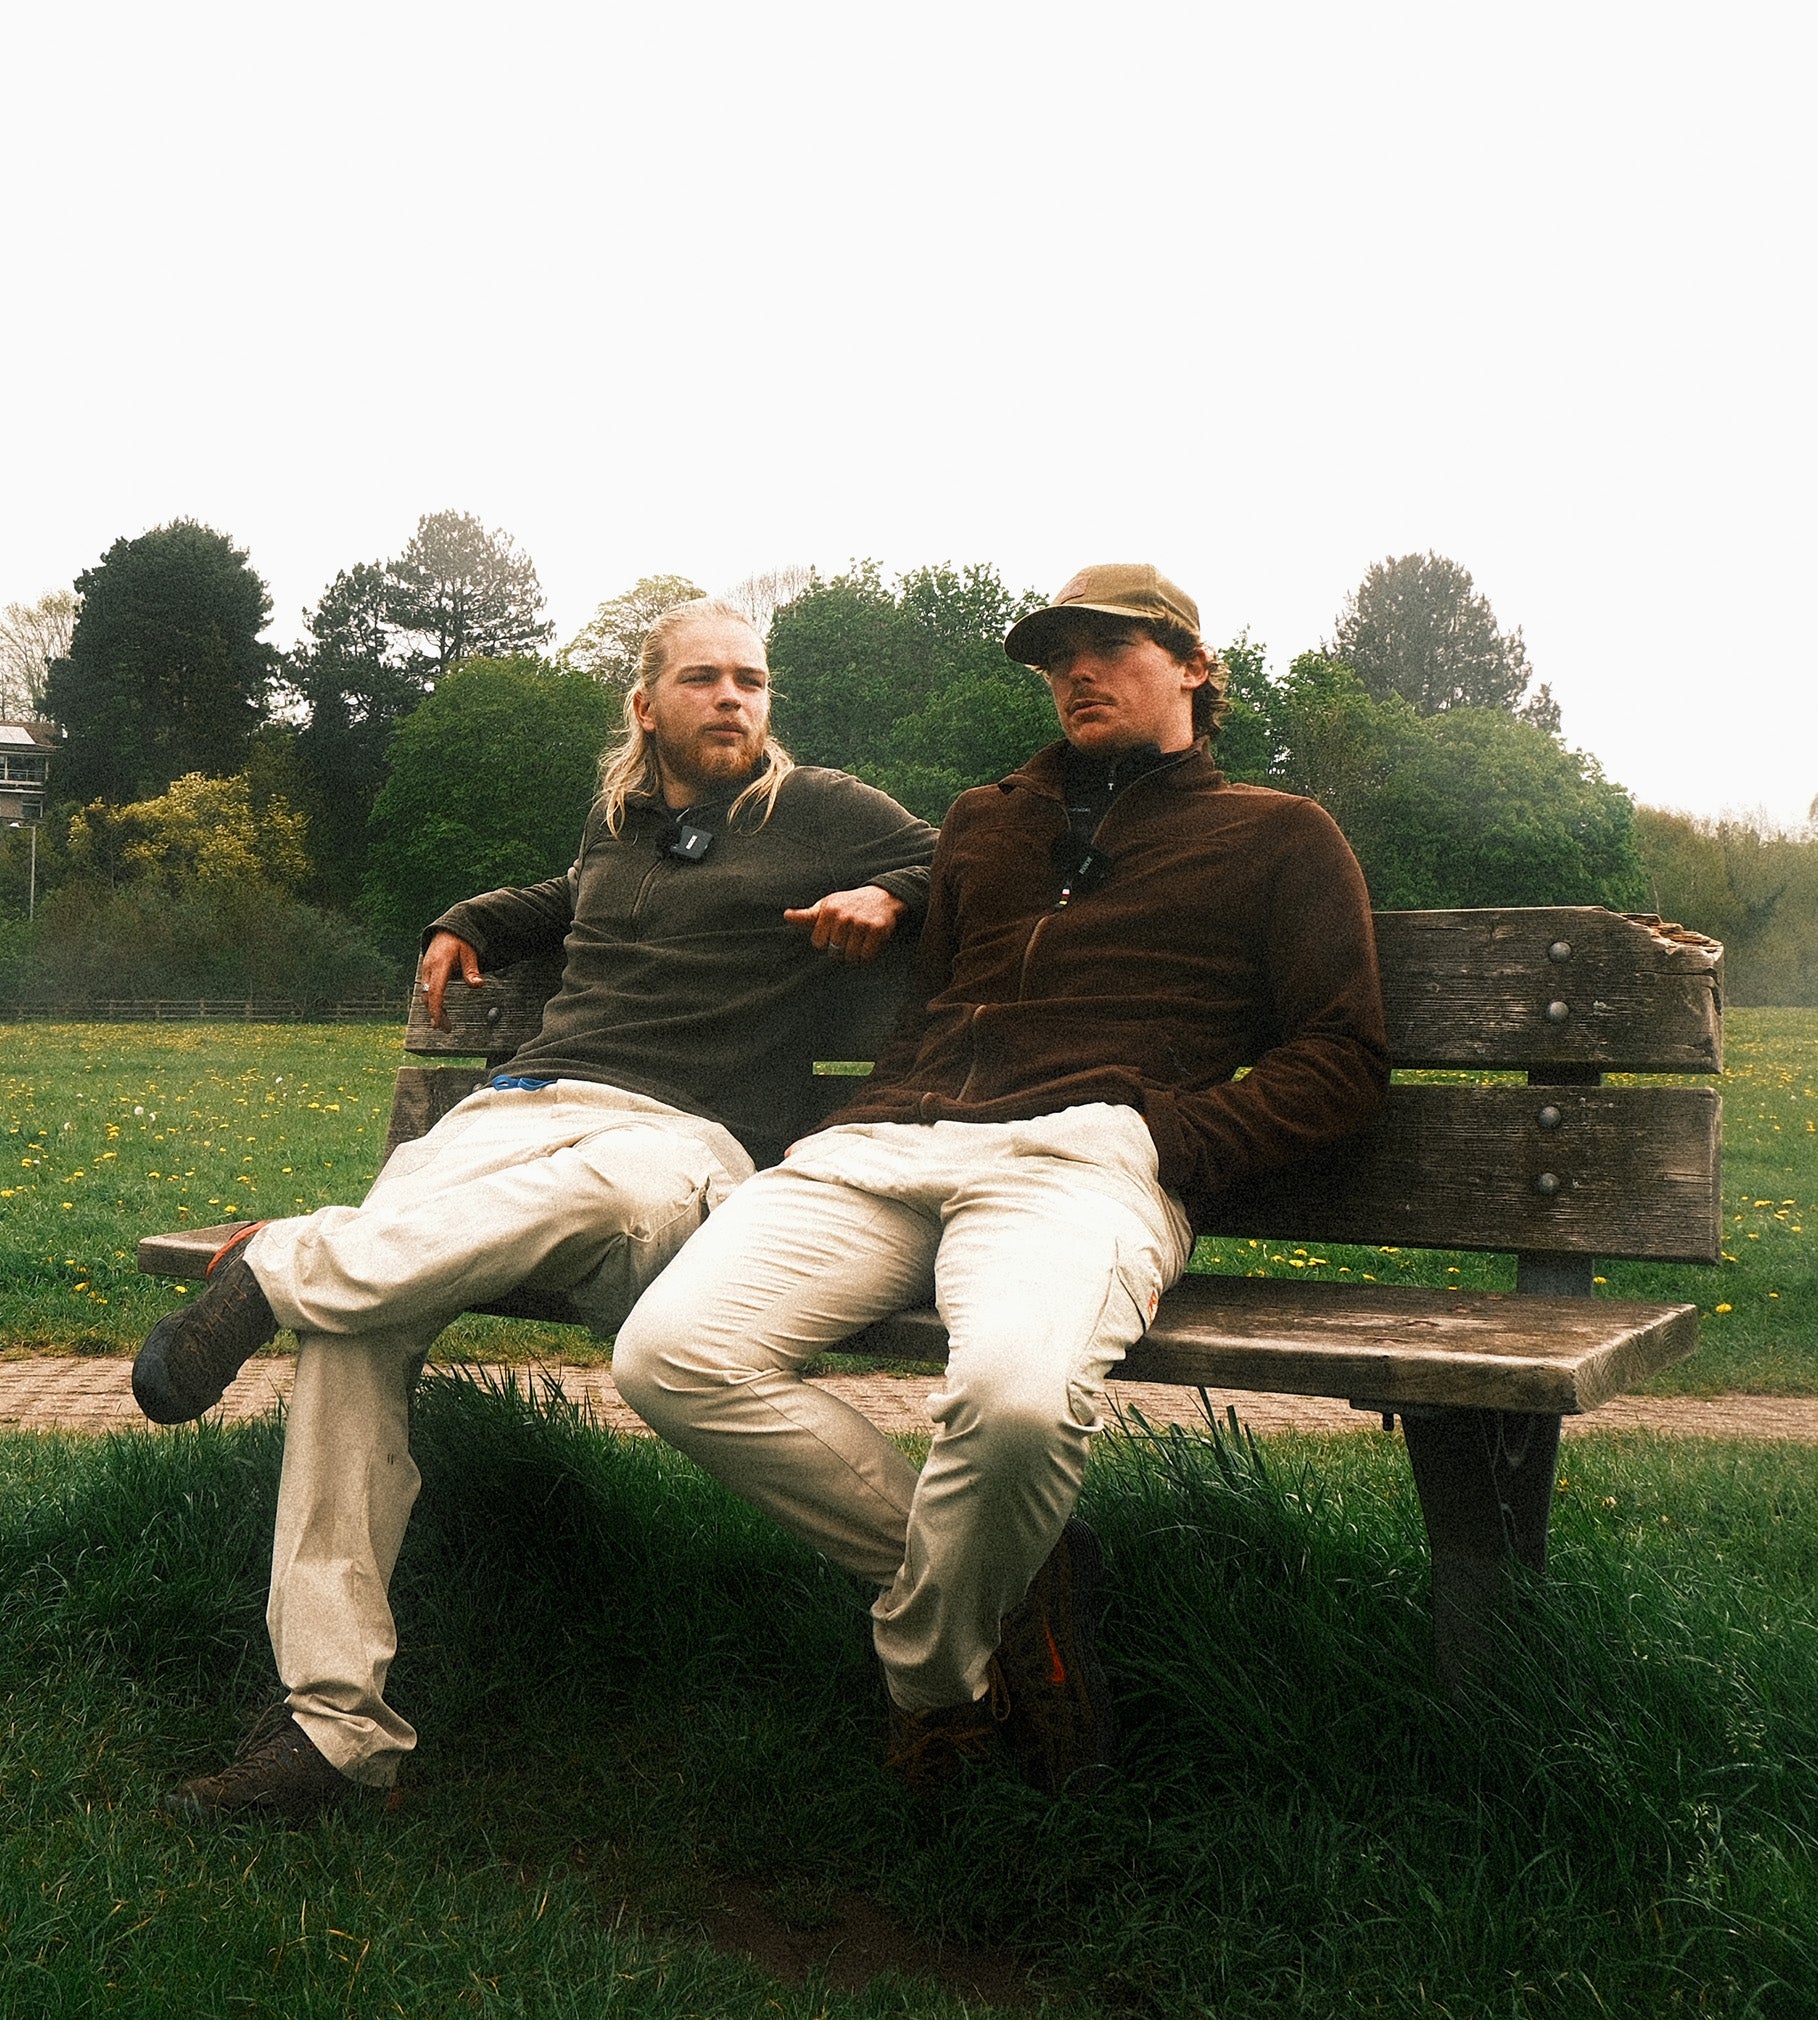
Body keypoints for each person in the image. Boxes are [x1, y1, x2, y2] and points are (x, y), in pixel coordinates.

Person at [137, 598, 936, 1820]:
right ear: (646, 704)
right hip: (509, 1116)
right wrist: (467, 921)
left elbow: (966, 862)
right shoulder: (620, 820)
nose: (735, 699)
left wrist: (895, 896)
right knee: (357, 1334)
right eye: (707, 679)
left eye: (753, 681)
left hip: (679, 1149)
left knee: (581, 1193)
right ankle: (330, 1728)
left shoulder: (820, 806)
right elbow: (573, 896)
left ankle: (282, 1263)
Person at [613, 563, 1390, 1795]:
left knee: (1018, 1405)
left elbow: (1343, 1057)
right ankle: (1015, 1577)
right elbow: (930, 1003)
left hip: (1083, 1160)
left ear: (1194, 665)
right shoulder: (987, 820)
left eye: (1110, 646)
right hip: (888, 1146)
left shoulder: (1279, 835)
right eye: (1055, 654)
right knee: (670, 1359)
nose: (1075, 670)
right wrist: (875, 1105)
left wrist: (1169, 1140)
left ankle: (932, 1686)